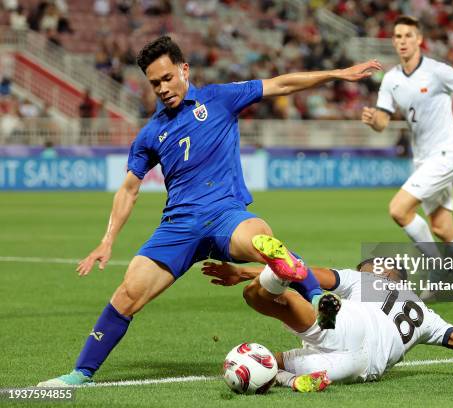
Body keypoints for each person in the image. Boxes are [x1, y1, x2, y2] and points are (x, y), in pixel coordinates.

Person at [37, 36, 382, 387]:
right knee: (128, 294)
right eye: (155, 83)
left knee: (265, 243)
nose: (162, 88)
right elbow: (129, 189)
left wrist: (338, 74)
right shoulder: (150, 134)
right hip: (179, 225)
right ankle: (79, 374)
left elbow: (281, 83)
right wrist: (107, 239)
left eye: (168, 78)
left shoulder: (220, 98)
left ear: (184, 70)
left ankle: (317, 299)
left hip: (226, 215)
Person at [203, 237, 453, 392]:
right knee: (277, 366)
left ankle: (274, 276)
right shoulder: (426, 315)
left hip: (345, 326)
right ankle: (293, 380)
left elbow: (305, 270)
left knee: (258, 297)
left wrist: (242, 273)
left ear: (383, 273)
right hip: (360, 368)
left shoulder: (366, 281)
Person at [361, 16, 453, 303]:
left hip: (446, 154)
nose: (402, 41)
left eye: (408, 35)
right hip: (422, 161)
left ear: (419, 39)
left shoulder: (437, 71)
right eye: (397, 36)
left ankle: (438, 270)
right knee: (441, 228)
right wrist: (373, 120)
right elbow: (383, 123)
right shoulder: (391, 79)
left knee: (399, 209)